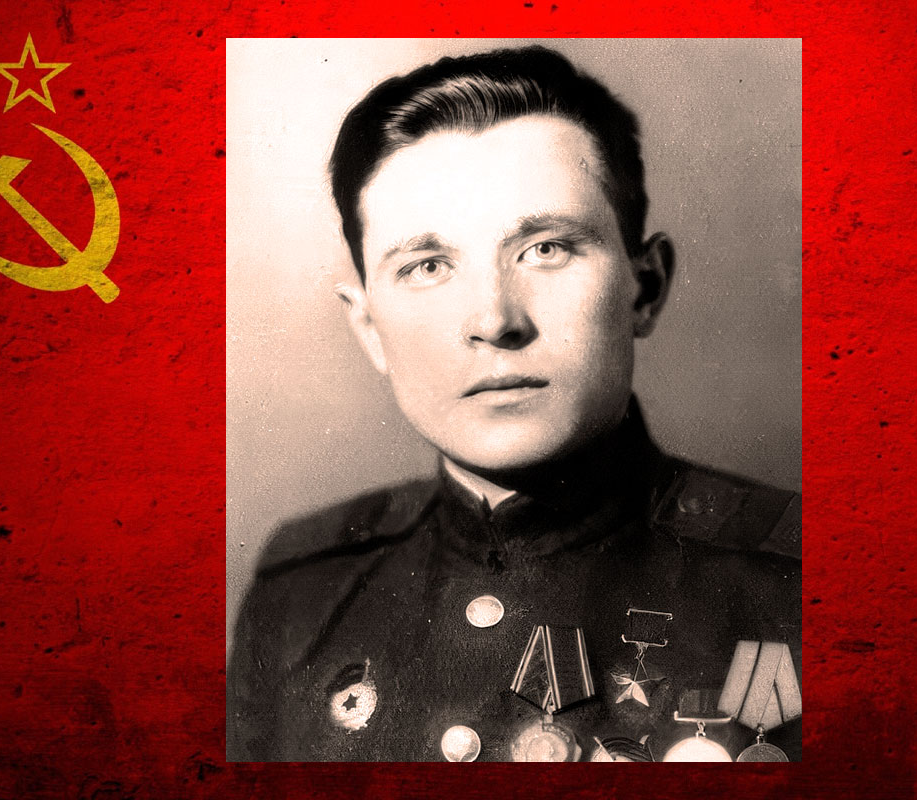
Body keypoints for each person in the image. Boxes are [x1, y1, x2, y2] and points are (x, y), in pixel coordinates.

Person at [227, 45, 800, 763]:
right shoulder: (300, 594)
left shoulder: (797, 585)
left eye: (546, 249)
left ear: (645, 288)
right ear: (369, 328)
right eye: (427, 266)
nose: (495, 321)